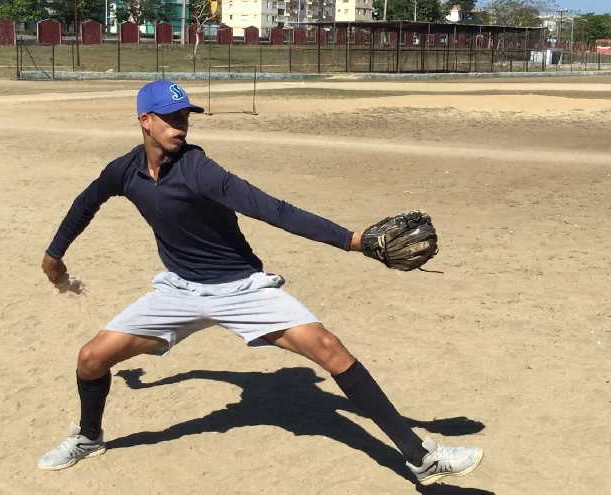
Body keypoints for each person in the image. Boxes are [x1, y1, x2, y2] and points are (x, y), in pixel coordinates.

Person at [38, 80, 483, 486]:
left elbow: (272, 209)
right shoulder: (125, 171)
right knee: (91, 358)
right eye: (172, 118)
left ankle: (421, 456)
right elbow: (85, 203)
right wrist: (54, 257)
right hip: (178, 290)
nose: (181, 126)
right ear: (145, 121)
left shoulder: (199, 169)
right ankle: (89, 437)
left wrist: (352, 241)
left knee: (329, 348)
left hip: (241, 289)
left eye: (185, 117)